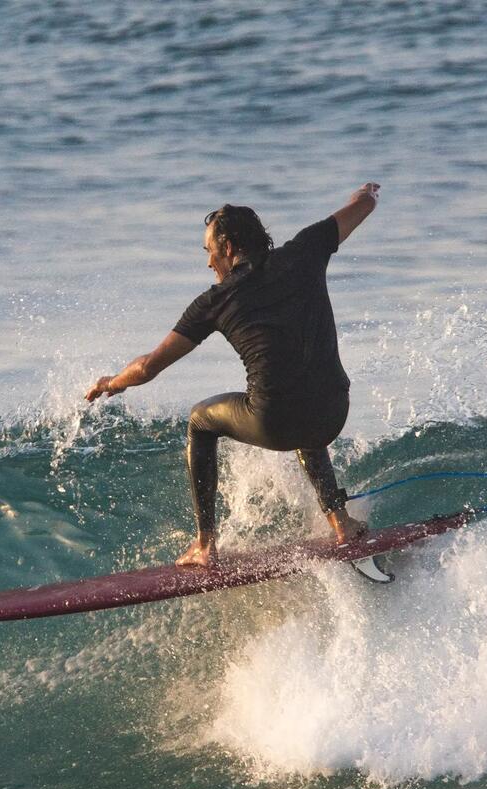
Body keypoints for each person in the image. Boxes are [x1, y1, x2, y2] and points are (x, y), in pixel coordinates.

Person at [85, 182, 380, 567]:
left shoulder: (217, 300)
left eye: (209, 251)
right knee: (301, 390)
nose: (209, 263)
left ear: (227, 248)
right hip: (333, 411)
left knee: (200, 421)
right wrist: (367, 194)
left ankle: (205, 544)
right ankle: (340, 522)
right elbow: (363, 207)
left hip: (274, 422)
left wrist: (112, 382)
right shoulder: (307, 249)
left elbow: (147, 367)